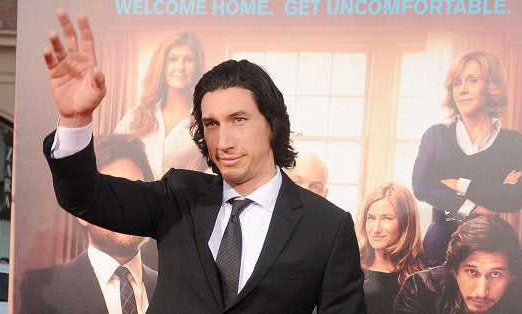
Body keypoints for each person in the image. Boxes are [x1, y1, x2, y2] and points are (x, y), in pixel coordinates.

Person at [41, 9, 365, 313]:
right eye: (212, 124)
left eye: (238, 120)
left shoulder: (327, 226)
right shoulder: (178, 196)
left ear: (272, 124)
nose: (223, 142)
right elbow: (85, 197)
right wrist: (76, 118)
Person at [412, 51, 522, 267]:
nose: (463, 90)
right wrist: (476, 207)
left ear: (491, 86)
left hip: (490, 245)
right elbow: (421, 186)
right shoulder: (436, 135)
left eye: (472, 81)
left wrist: (459, 184)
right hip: (441, 247)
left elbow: (516, 196)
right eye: (457, 83)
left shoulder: (512, 142)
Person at [21, 134, 158, 313]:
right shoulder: (45, 289)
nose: (126, 204)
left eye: (136, 191)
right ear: (82, 213)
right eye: (111, 193)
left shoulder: (171, 287)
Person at [393, 215, 522, 313]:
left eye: (495, 274)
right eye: (472, 272)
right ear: (454, 270)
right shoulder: (420, 290)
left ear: (512, 276)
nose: (482, 292)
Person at [114, 30, 208, 179]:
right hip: (134, 200)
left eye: (188, 59)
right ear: (161, 65)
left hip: (184, 201)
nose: (180, 67)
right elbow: (111, 161)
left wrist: (206, 161)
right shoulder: (134, 116)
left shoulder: (208, 120)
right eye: (172, 59)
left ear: (197, 66)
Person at [356, 182, 426, 314]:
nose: (376, 229)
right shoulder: (350, 268)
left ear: (406, 223)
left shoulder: (421, 279)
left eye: (387, 218)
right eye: (371, 218)